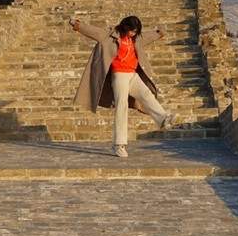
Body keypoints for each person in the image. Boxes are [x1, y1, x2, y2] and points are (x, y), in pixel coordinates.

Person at [69, 15, 178, 157]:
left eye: (136, 31)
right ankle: (118, 144)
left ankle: (164, 119)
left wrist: (159, 34)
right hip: (119, 75)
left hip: (132, 74)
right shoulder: (110, 35)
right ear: (125, 27)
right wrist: (78, 25)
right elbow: (93, 31)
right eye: (132, 31)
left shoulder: (136, 38)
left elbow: (147, 36)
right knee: (122, 107)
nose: (133, 34)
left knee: (146, 95)